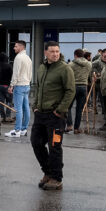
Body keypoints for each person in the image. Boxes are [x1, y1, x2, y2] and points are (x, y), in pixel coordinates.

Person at [30, 41, 75, 190]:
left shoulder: (65, 69)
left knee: (54, 146)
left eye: (57, 51)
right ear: (45, 52)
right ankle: (48, 172)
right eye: (52, 51)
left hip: (55, 116)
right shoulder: (42, 68)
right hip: (40, 114)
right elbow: (38, 88)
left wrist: (61, 109)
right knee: (36, 143)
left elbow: (70, 91)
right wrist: (35, 106)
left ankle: (56, 178)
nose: (55, 54)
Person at [10, 40, 33, 137]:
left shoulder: (18, 57)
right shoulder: (28, 58)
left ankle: (17, 130)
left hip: (19, 85)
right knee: (26, 108)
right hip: (27, 85)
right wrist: (28, 82)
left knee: (18, 109)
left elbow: (16, 73)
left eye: (15, 46)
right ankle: (24, 129)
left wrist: (12, 85)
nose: (14, 48)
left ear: (21, 47)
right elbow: (30, 73)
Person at [68, 49, 92, 133]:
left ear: (75, 55)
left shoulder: (71, 64)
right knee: (79, 109)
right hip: (84, 87)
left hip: (73, 86)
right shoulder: (89, 64)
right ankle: (76, 128)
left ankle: (69, 125)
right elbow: (89, 75)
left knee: (68, 107)